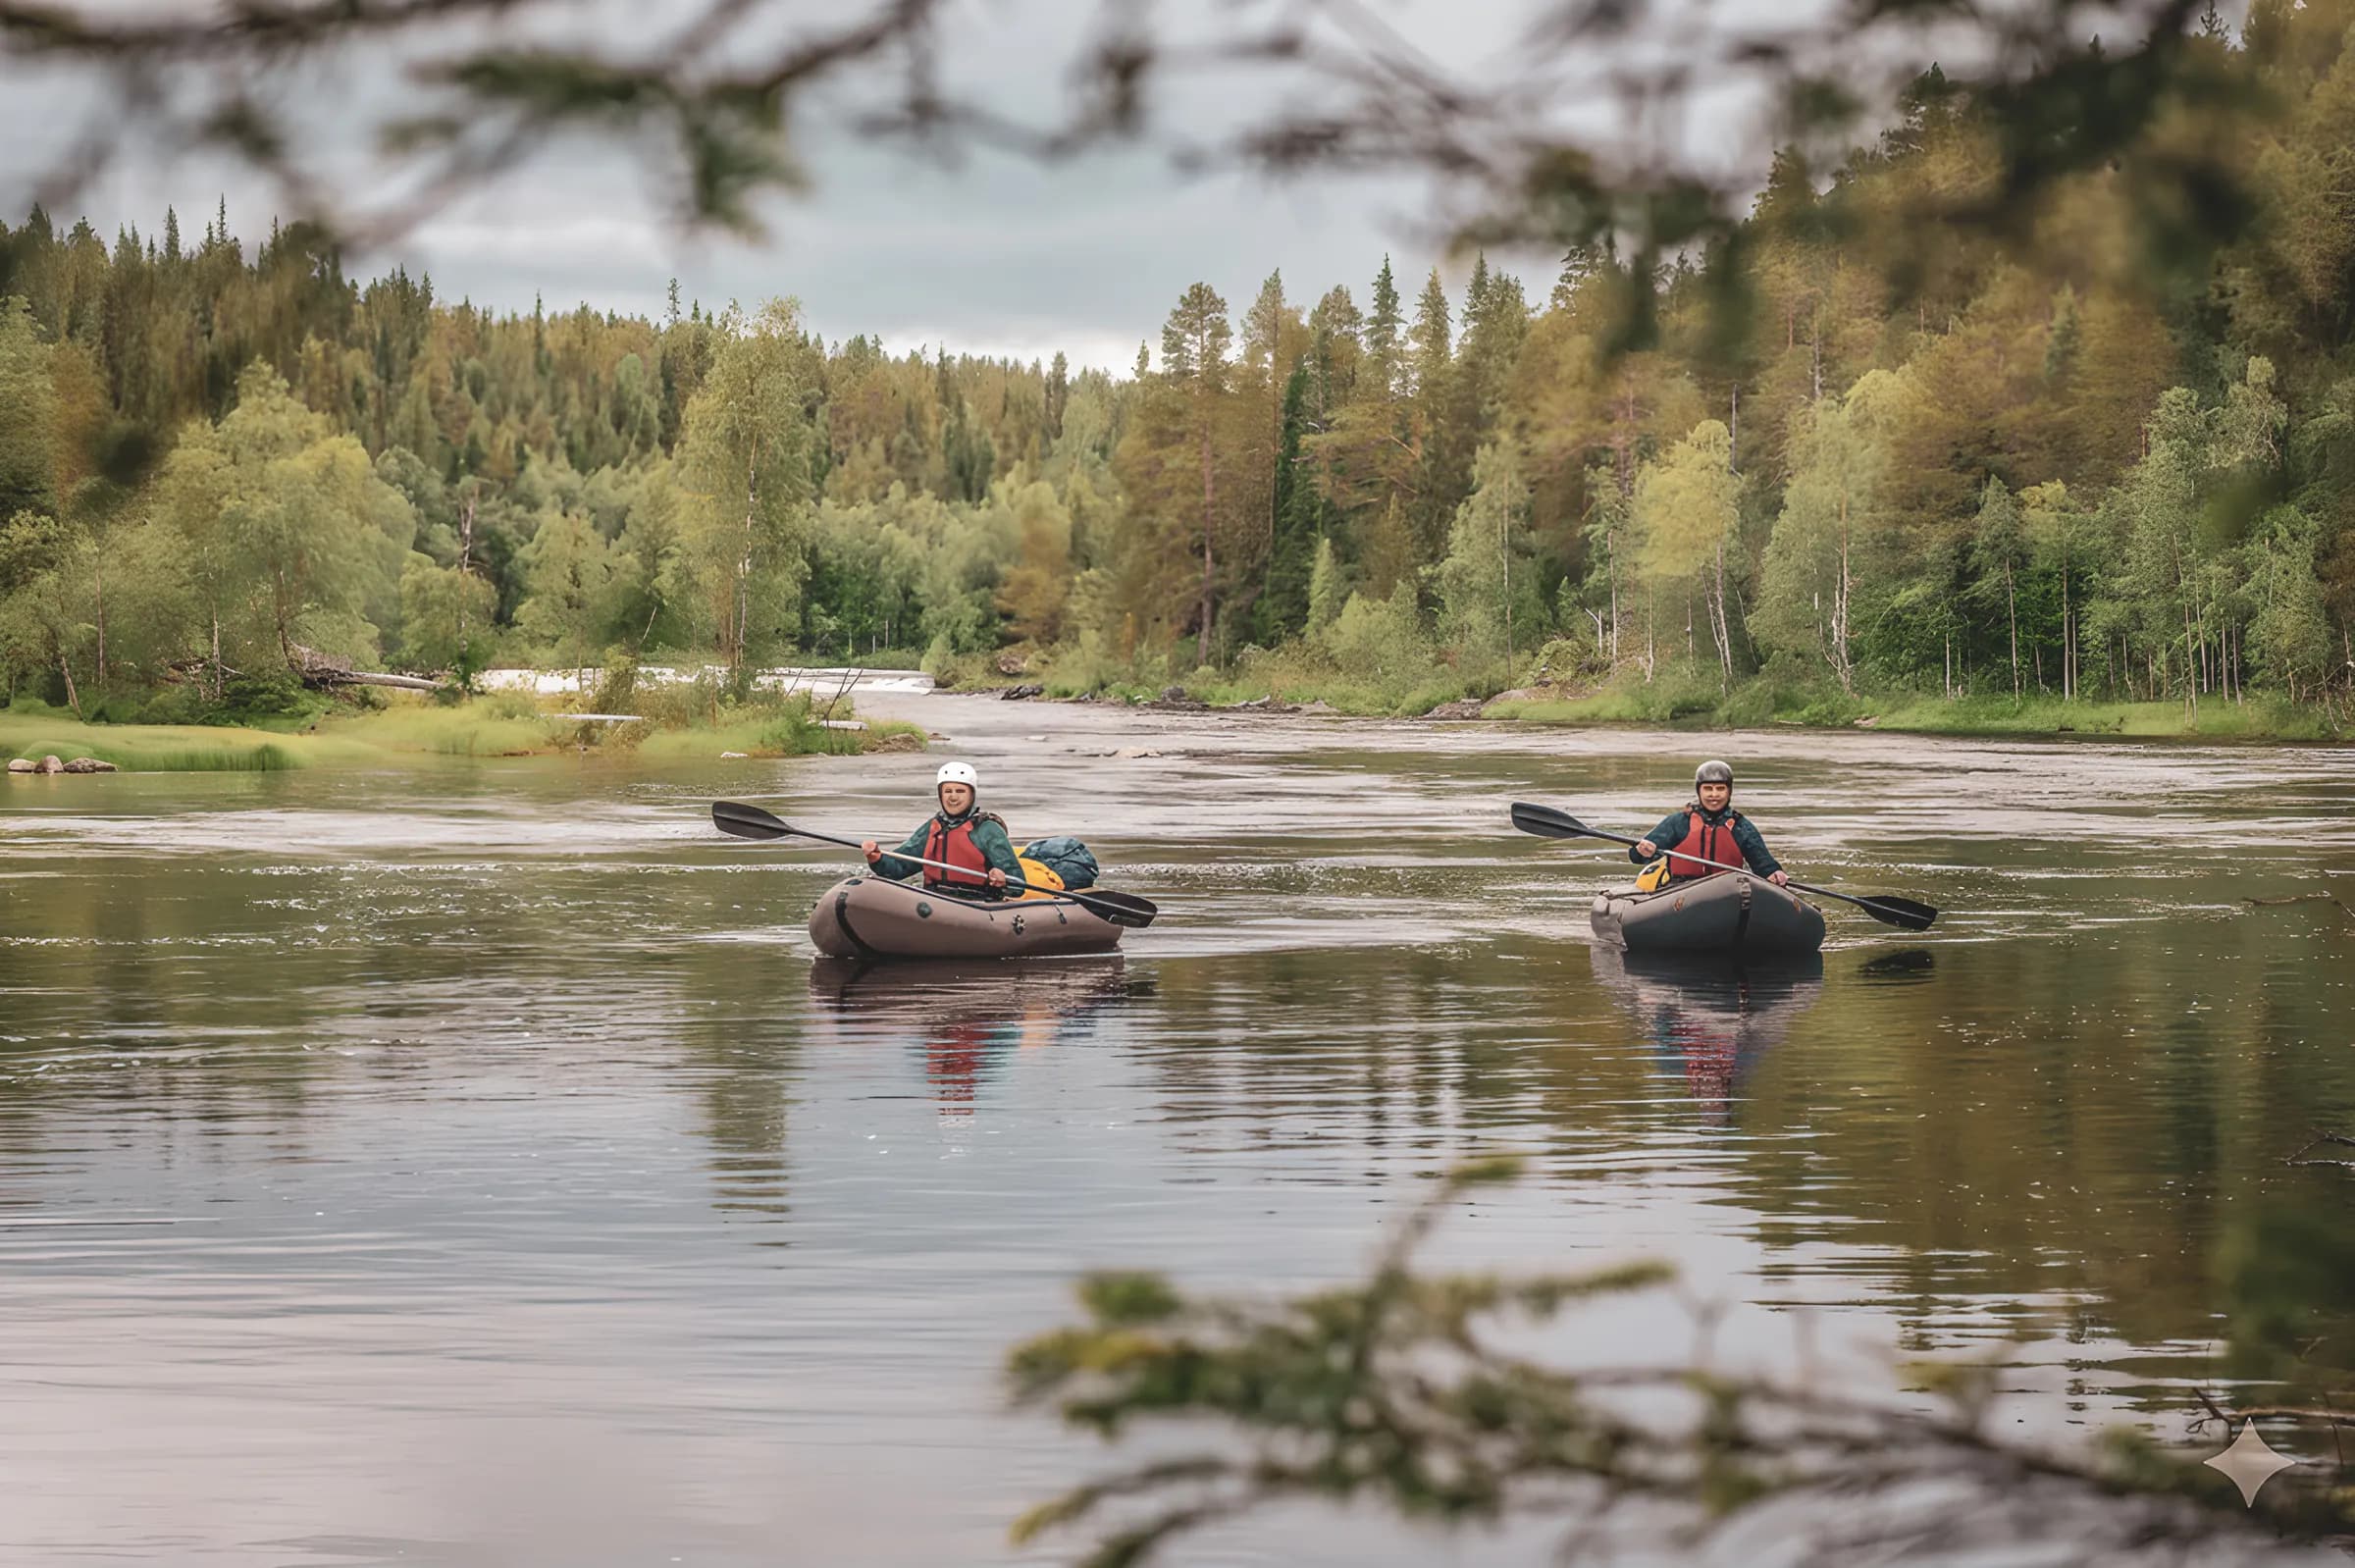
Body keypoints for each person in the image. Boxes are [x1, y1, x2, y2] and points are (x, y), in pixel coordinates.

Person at [863, 761, 1023, 898]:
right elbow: (898, 868)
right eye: (948, 791)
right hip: (935, 901)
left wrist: (1004, 880)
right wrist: (877, 858)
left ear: (971, 795)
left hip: (978, 903)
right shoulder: (933, 828)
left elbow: (1018, 884)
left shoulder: (988, 830)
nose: (953, 797)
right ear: (940, 795)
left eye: (960, 791)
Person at [1629, 759, 1790, 887]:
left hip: (1728, 890)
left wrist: (1774, 872)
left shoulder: (1740, 826)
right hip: (1681, 890)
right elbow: (1636, 856)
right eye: (1708, 789)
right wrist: (1643, 852)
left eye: (1720, 789)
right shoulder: (1679, 822)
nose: (1714, 795)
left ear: (1729, 792)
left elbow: (1763, 864)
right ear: (1699, 791)